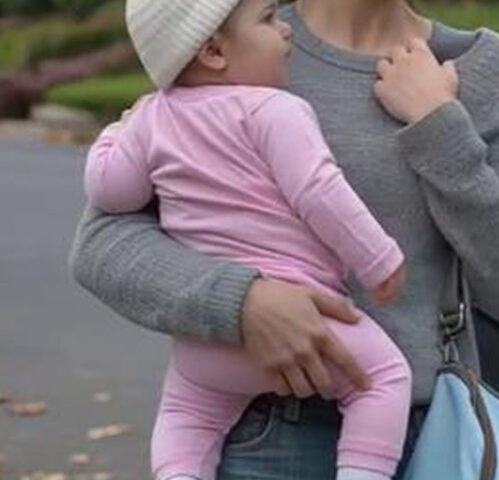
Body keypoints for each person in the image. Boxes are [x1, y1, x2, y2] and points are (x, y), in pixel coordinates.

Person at [70, 0, 499, 477]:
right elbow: (101, 245)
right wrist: (242, 302)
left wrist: (438, 124)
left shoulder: (489, 67)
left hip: (440, 437)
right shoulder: (241, 38)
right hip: (272, 438)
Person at [85, 0, 415, 478]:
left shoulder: (152, 116)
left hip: (206, 344)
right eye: (267, 19)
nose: (285, 30)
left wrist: (119, 129)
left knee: (186, 417)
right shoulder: (275, 109)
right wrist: (379, 260)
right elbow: (319, 192)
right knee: (383, 379)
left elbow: (110, 191)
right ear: (214, 51)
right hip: (307, 320)